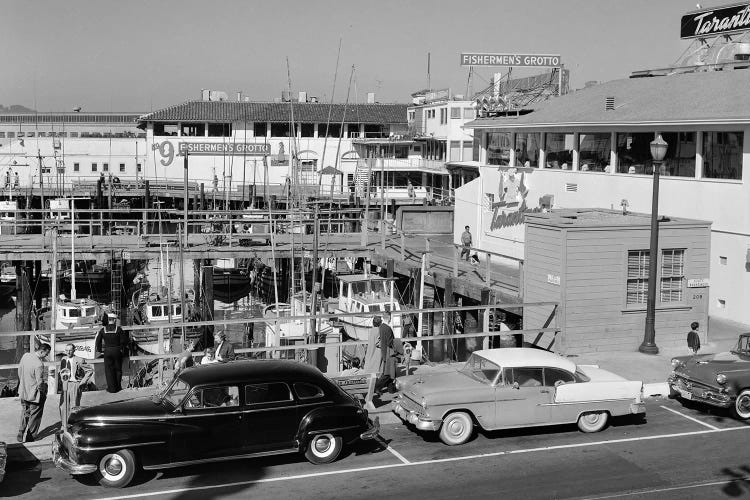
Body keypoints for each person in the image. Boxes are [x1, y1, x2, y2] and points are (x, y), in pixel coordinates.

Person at [18, 343, 51, 443]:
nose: (46, 356)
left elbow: (20, 371)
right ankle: (30, 436)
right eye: (46, 353)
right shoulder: (39, 364)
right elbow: (40, 382)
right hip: (34, 395)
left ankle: (20, 432)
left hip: (23, 391)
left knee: (25, 412)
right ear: (41, 351)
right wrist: (44, 392)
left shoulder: (25, 356)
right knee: (35, 415)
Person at [95, 314, 128, 393]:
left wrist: (100, 350)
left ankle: (111, 388)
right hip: (117, 350)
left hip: (107, 351)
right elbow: (124, 341)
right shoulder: (118, 329)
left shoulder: (103, 330)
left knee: (109, 370)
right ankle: (118, 387)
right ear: (115, 320)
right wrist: (122, 348)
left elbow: (98, 341)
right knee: (118, 369)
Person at [58, 343, 93, 419]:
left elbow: (90, 370)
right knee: (63, 405)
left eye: (70, 350)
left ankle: (73, 422)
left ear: (74, 350)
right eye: (67, 350)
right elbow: (61, 370)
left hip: (75, 384)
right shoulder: (63, 359)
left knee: (74, 405)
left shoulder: (79, 360)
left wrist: (83, 381)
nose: (68, 352)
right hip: (65, 383)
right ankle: (64, 424)